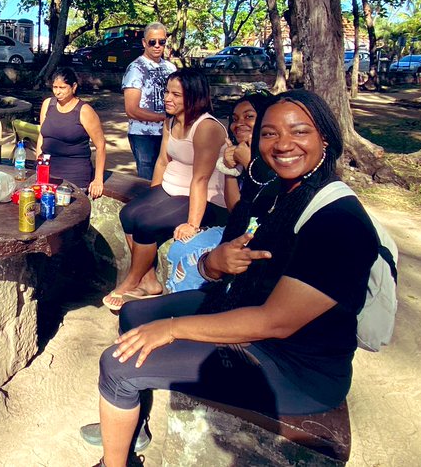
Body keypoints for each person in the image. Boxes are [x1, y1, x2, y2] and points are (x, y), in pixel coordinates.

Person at [86, 89, 381, 467]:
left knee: (117, 365)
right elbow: (219, 260)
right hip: (242, 304)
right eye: (270, 133)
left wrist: (174, 328)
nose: (283, 144)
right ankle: (133, 425)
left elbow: (275, 321)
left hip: (294, 368)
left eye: (299, 131)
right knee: (134, 317)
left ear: (325, 138)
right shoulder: (277, 190)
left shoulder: (339, 222)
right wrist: (214, 262)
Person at [105, 68, 228, 312]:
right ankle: (149, 281)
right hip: (171, 189)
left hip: (205, 198)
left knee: (147, 223)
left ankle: (132, 279)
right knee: (129, 214)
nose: (167, 99)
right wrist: (152, 197)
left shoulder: (206, 128)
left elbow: (201, 179)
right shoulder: (170, 121)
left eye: (176, 95)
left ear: (194, 96)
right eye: (166, 92)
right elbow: (162, 161)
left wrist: (192, 224)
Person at [38, 67, 106, 197]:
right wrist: (39, 163)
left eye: (62, 88)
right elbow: (42, 135)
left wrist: (98, 179)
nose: (57, 92)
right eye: (55, 87)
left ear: (73, 87)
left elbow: (100, 145)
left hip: (74, 174)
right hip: (48, 170)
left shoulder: (84, 111)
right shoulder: (48, 104)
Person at [121, 22, 176, 180]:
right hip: (144, 136)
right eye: (152, 42)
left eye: (162, 42)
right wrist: (165, 118)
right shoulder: (136, 69)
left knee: (169, 178)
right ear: (144, 43)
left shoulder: (171, 68)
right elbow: (132, 110)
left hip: (169, 133)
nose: (157, 46)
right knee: (148, 181)